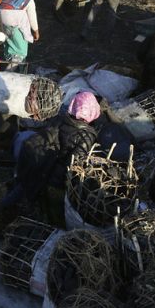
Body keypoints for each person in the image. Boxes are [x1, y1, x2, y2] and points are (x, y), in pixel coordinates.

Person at [9, 92, 99, 221]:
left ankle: (8, 205)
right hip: (57, 180)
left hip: (43, 167)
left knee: (31, 194)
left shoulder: (61, 120)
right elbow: (74, 163)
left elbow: (46, 137)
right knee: (55, 212)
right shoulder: (86, 136)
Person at [0, 0, 38, 69]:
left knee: (10, 47)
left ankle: (13, 66)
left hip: (3, 25)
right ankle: (10, 73)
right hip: (16, 28)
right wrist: (36, 31)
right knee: (19, 54)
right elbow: (32, 17)